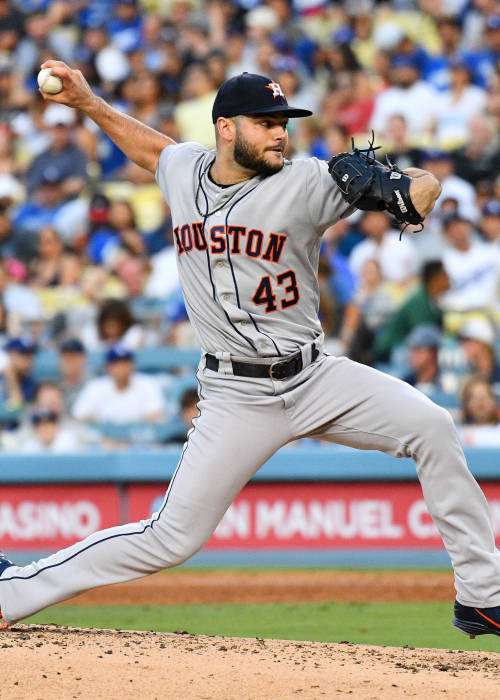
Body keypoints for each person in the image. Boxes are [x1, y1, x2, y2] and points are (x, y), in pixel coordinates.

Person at [1, 62, 498, 643]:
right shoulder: (185, 170)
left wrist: (401, 185)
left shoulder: (307, 181)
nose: (280, 133)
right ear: (225, 129)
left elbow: (425, 187)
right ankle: (12, 591)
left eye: (283, 122)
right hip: (236, 395)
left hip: (316, 378)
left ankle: (483, 597)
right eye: (265, 123)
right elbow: (151, 150)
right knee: (170, 538)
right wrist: (88, 104)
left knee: (433, 426)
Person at [374, 260, 450, 362]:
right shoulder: (418, 302)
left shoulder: (434, 300)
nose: (449, 279)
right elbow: (423, 336)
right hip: (392, 351)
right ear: (434, 279)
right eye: (445, 275)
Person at [72, 344, 165, 424]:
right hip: (102, 441)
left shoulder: (148, 384)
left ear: (132, 364)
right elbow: (78, 415)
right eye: (116, 364)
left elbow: (155, 415)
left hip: (141, 440)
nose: (121, 368)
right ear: (108, 367)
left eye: (125, 362)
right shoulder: (95, 387)